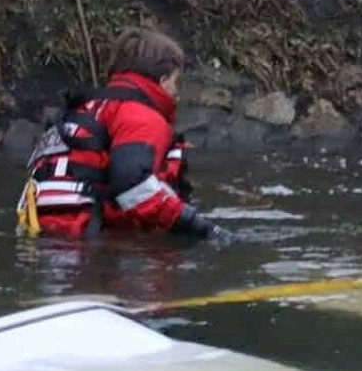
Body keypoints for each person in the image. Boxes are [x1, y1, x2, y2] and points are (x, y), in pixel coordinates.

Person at [18, 27, 225, 241]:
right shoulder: (139, 115)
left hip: (41, 232)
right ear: (163, 81)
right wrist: (194, 223)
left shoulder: (89, 107)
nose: (176, 92)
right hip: (88, 239)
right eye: (175, 82)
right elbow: (131, 182)